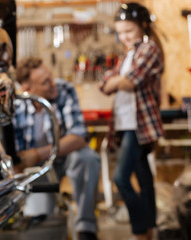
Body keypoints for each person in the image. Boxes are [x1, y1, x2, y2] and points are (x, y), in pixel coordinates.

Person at [13, 57, 100, 240]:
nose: (53, 83)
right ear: (28, 89)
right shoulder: (17, 105)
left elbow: (78, 138)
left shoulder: (63, 89)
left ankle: (86, 229)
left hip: (66, 158)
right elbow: (19, 159)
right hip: (39, 170)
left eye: (50, 76)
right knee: (42, 224)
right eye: (45, 82)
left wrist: (37, 154)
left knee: (87, 158)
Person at [99, 3, 164, 240]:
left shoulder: (150, 49)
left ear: (143, 26)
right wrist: (117, 80)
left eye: (129, 31)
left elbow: (130, 81)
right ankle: (150, 231)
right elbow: (105, 83)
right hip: (124, 125)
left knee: (120, 178)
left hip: (139, 126)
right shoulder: (128, 54)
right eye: (120, 32)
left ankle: (140, 231)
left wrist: (117, 80)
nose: (123, 37)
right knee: (144, 178)